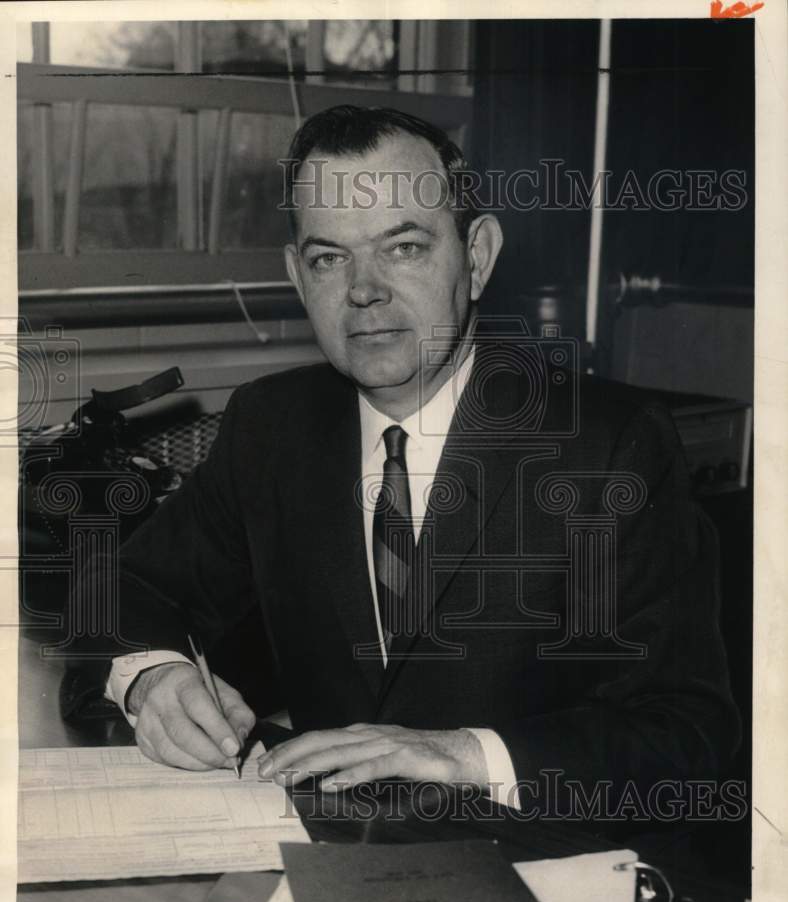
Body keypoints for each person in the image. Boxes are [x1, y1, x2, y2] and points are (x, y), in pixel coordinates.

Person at [78, 105, 739, 807]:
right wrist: (152, 677)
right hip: (331, 860)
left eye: (404, 247)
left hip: (533, 862)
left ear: (477, 257)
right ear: (299, 278)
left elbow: (685, 734)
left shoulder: (609, 446)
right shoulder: (272, 426)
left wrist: (465, 755)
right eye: (330, 258)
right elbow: (123, 590)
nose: (363, 290)